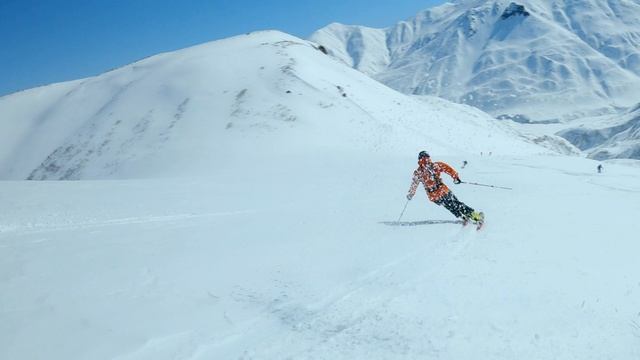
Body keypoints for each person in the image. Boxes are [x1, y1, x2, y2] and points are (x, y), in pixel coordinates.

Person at [406, 151, 484, 225]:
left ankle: (463, 217)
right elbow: (448, 169)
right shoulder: (435, 165)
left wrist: (410, 194)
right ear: (428, 157)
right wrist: (455, 177)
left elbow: (414, 184)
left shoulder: (418, 172)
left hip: (434, 197)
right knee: (457, 204)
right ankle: (475, 216)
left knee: (450, 206)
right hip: (443, 191)